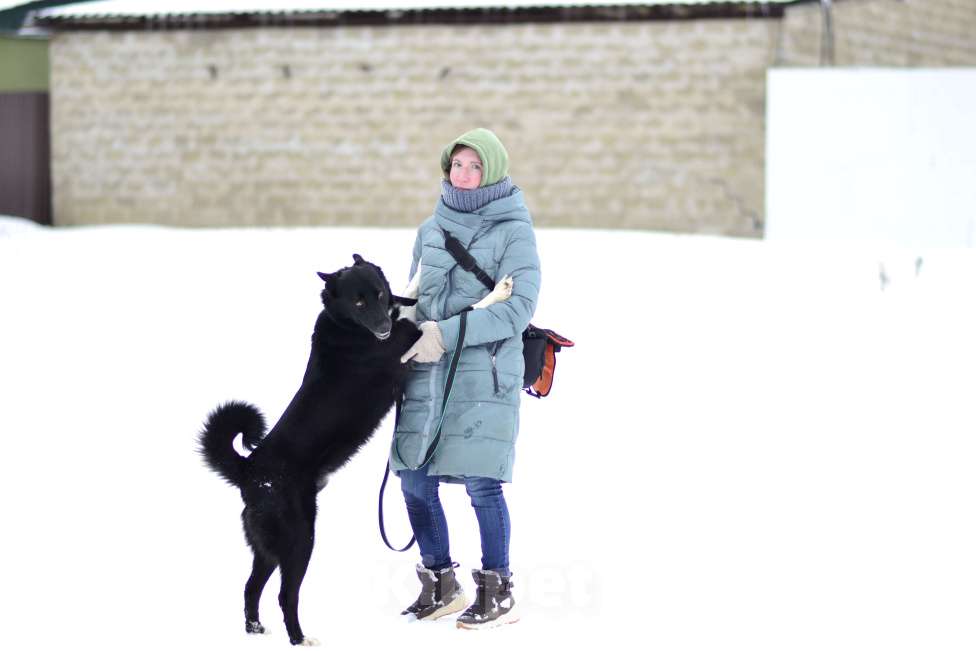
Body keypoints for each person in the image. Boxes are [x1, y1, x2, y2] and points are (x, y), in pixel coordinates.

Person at [390, 127, 540, 629]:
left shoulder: (514, 231)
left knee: (482, 483)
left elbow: (517, 308)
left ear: (492, 171)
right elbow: (416, 298)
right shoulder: (430, 229)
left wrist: (445, 333)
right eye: (457, 164)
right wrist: (396, 327)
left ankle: (498, 592)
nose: (465, 174)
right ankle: (440, 583)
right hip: (426, 371)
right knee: (413, 479)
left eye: (475, 166)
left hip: (484, 372)